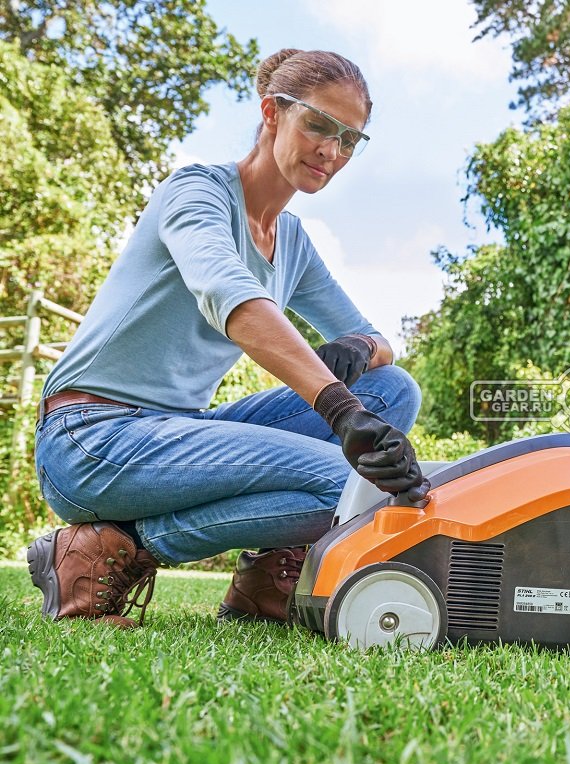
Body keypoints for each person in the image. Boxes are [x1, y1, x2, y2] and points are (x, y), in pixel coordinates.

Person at [26, 49, 426, 628]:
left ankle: (264, 579)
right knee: (350, 484)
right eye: (317, 125)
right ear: (272, 113)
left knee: (392, 390)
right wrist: (337, 408)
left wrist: (360, 349)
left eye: (349, 139)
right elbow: (233, 299)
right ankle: (95, 554)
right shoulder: (197, 193)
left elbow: (378, 340)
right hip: (91, 437)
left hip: (179, 433)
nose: (330, 151)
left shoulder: (291, 242)